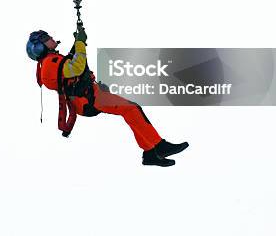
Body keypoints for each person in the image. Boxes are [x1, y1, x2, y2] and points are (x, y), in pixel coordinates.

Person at [27, 28, 189, 167]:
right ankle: (158, 146)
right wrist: (80, 43)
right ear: (40, 47)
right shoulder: (49, 64)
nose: (51, 39)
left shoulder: (51, 62)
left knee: (131, 110)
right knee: (132, 108)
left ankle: (150, 154)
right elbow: (76, 67)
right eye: (47, 39)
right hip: (89, 99)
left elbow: (69, 66)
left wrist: (78, 41)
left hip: (90, 96)